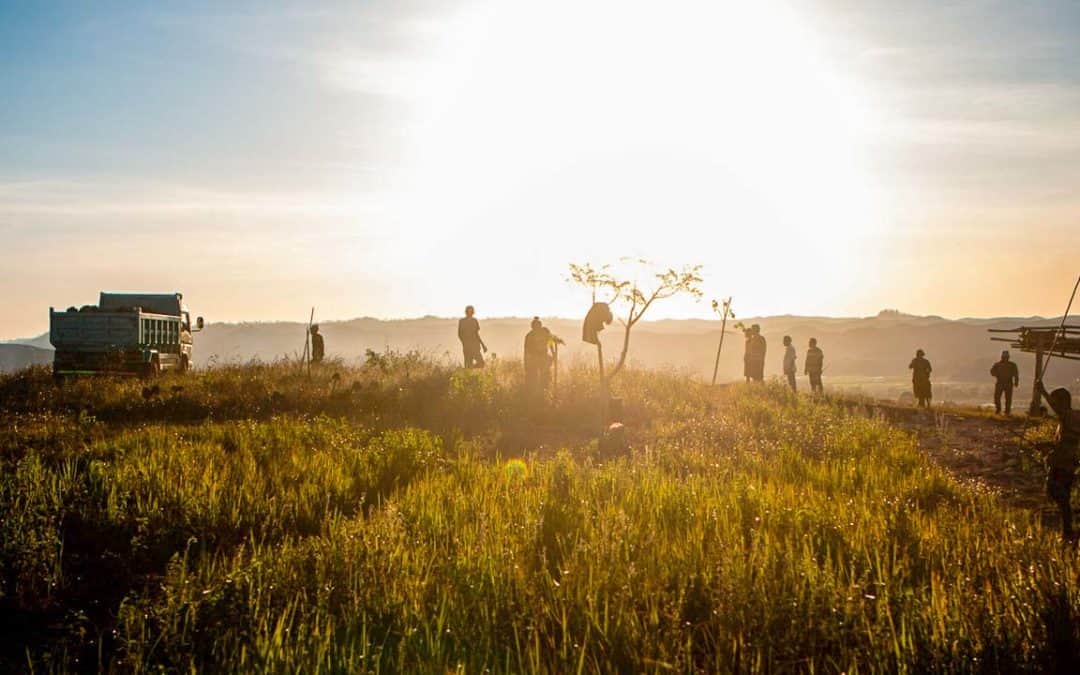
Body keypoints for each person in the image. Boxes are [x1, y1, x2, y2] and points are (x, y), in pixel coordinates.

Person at [1035, 378, 1080, 541]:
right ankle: (1068, 532)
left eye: (1055, 401)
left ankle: (1069, 531)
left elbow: (1059, 411)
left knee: (1056, 493)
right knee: (1063, 498)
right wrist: (1046, 445)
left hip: (1063, 463)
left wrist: (1043, 391)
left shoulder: (1069, 415)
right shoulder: (1071, 417)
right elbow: (1063, 441)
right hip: (1065, 462)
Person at [523, 317, 554, 393]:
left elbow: (550, 342)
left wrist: (553, 353)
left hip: (542, 356)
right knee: (535, 375)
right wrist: (526, 362)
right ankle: (538, 391)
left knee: (544, 374)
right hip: (535, 357)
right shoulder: (530, 335)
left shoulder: (545, 332)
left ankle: (544, 389)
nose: (537, 328)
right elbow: (526, 350)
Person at [990, 350, 1020, 415]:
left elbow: (1016, 374)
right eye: (1004, 357)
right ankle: (999, 410)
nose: (1005, 358)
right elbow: (992, 372)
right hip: (1000, 383)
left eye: (1006, 357)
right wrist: (997, 375)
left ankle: (1007, 411)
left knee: (1008, 398)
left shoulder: (1012, 365)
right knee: (997, 397)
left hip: (1008, 383)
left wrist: (1016, 382)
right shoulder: (998, 364)